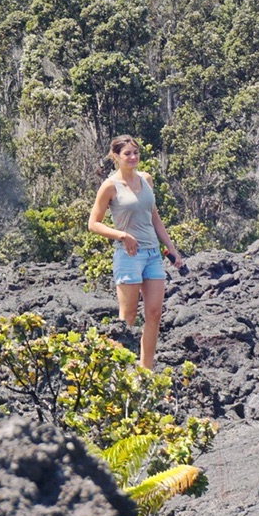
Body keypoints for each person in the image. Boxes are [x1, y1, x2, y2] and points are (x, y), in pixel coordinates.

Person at [88, 135, 184, 372]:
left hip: (152, 254)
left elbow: (154, 217)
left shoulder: (146, 179)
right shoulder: (110, 186)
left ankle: (146, 371)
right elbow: (93, 223)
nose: (132, 157)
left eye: (135, 153)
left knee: (154, 312)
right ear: (116, 156)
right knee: (128, 315)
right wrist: (121, 235)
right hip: (128, 255)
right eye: (127, 153)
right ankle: (111, 370)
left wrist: (170, 248)